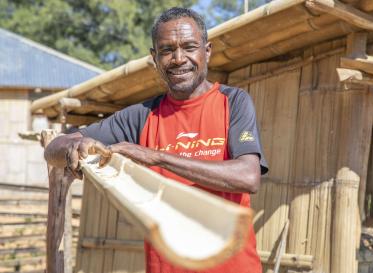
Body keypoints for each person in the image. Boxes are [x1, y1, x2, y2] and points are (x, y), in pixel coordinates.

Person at [44, 7, 268, 273]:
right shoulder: (142, 116)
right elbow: (53, 147)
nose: (178, 58)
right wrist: (71, 145)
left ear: (206, 51)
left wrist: (158, 156)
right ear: (155, 58)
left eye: (189, 47)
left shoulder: (233, 102)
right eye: (166, 50)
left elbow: (248, 177)